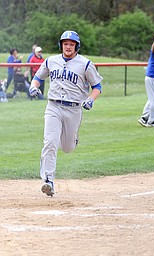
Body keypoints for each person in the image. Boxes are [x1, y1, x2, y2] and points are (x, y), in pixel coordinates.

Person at [29, 30, 103, 197]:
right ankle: (48, 181)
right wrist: (33, 86)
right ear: (61, 45)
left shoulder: (85, 64)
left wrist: (91, 99)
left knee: (68, 147)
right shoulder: (51, 61)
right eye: (65, 43)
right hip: (53, 106)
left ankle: (73, 138)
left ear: (76, 46)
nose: (68, 46)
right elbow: (38, 77)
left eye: (71, 44)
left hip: (74, 109)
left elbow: (97, 87)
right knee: (50, 142)